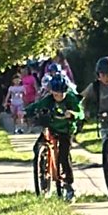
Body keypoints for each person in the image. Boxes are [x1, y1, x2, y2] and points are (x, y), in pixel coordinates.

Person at [26, 72, 83, 201]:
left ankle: (69, 185)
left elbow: (81, 114)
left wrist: (73, 114)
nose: (58, 96)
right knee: (38, 146)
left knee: (63, 156)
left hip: (66, 130)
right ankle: (43, 166)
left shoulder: (71, 99)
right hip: (52, 127)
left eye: (61, 93)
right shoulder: (49, 99)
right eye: (55, 93)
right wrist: (26, 111)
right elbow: (37, 105)